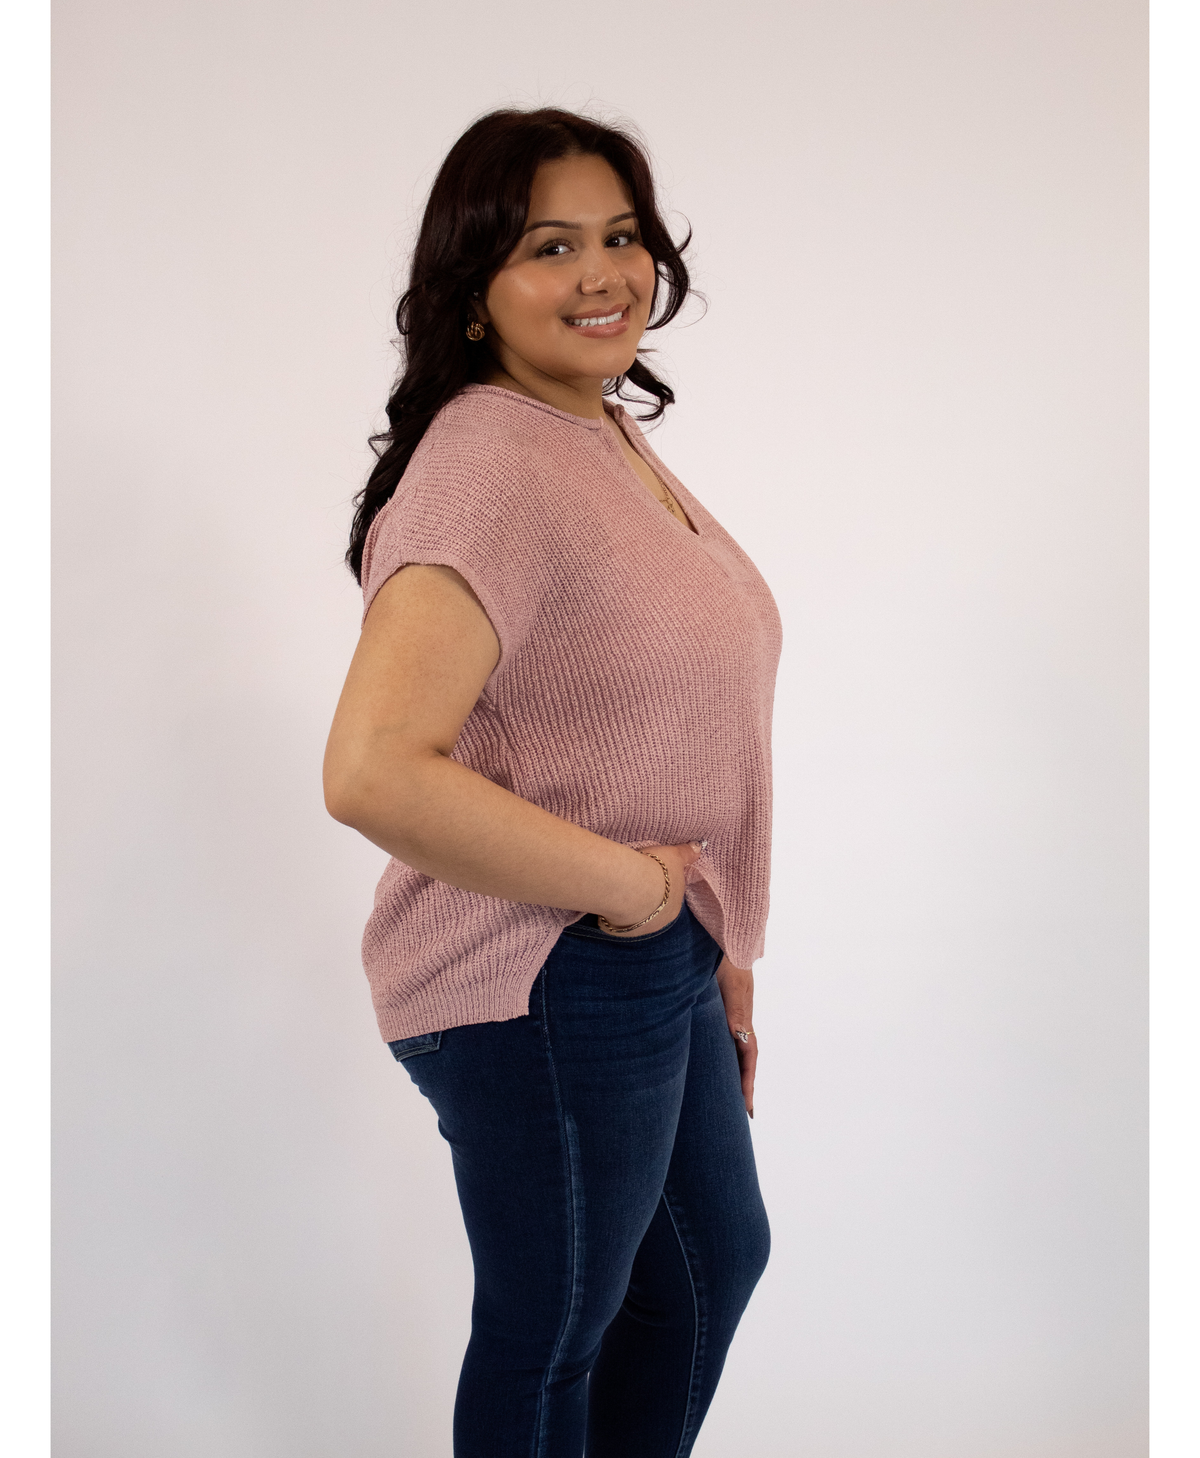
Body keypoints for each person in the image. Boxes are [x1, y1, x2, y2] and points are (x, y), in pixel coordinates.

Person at [323, 106, 783, 1458]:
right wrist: (634, 887)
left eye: (622, 235)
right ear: (473, 290)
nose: (603, 273)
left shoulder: (595, 434)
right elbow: (370, 770)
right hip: (543, 970)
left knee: (708, 1268)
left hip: (654, 949)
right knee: (555, 1332)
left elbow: (660, 722)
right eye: (550, 245)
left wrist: (712, 929)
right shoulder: (489, 460)